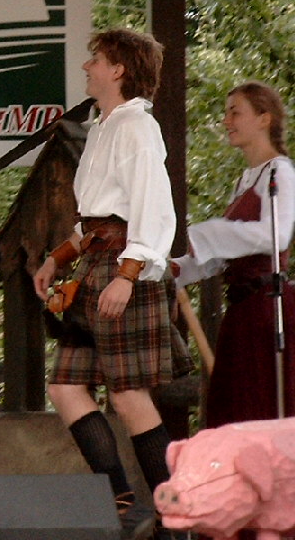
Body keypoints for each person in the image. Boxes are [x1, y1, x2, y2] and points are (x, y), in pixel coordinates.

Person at [33, 29, 186, 540]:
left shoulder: (137, 126)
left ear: (118, 69)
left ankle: (175, 515)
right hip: (95, 266)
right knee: (65, 386)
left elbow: (152, 207)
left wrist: (128, 273)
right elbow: (98, 216)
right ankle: (123, 503)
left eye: (95, 59)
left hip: (122, 271)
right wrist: (57, 257)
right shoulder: (104, 125)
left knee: (128, 397)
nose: (87, 67)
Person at [173, 80, 295, 425]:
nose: (226, 120)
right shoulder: (246, 180)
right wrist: (176, 269)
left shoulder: (281, 172)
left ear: (264, 118)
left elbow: (277, 236)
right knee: (236, 411)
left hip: (269, 310)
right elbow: (227, 256)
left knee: (261, 410)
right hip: (243, 313)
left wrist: (206, 233)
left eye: (235, 112)